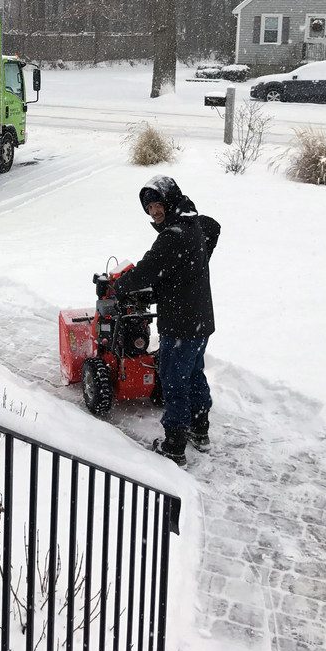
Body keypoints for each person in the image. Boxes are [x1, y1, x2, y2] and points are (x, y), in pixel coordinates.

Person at [115, 176, 220, 467]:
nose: (154, 213)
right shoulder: (195, 224)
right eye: (148, 208)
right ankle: (200, 430)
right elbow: (214, 227)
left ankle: (174, 445)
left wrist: (118, 287)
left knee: (174, 380)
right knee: (195, 373)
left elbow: (145, 271)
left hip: (181, 324)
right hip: (201, 321)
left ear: (170, 200)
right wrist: (194, 265)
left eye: (157, 205)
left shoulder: (172, 236)